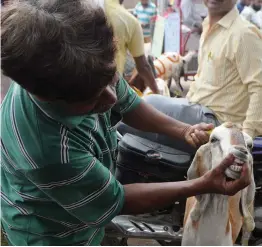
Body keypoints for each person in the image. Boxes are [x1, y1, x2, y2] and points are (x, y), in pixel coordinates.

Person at [1, 0, 251, 245]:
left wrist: (183, 130)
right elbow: (116, 200)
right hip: (56, 234)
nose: (112, 98)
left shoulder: (87, 64)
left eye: (112, 78)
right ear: (51, 98)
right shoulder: (48, 151)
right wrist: (201, 185)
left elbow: (128, 103)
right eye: (94, 98)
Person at [119, 0, 262, 152]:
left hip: (217, 121)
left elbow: (258, 86)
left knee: (144, 105)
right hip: (197, 108)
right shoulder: (208, 26)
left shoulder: (243, 34)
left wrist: (245, 138)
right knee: (134, 110)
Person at [104, 0, 159, 94]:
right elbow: (143, 66)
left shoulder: (87, 8)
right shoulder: (129, 20)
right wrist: (157, 92)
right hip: (112, 88)